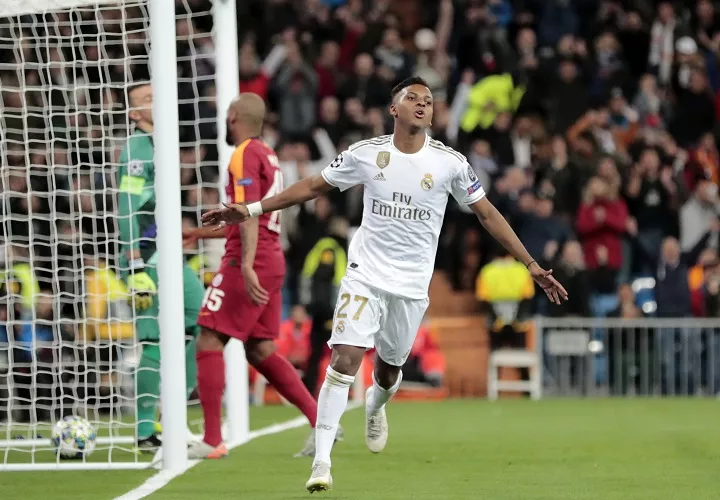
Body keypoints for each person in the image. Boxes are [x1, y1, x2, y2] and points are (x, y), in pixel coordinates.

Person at [202, 77, 568, 493]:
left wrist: (531, 264)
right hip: (365, 274)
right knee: (345, 358)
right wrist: (249, 208)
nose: (421, 104)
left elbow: (487, 214)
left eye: (428, 100)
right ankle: (322, 462)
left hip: (410, 285)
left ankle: (376, 405)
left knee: (390, 369)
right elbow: (312, 186)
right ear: (393, 109)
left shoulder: (450, 163)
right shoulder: (366, 154)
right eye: (411, 97)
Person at [183, 93, 337, 459]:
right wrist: (198, 234)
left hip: (249, 260)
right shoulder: (266, 153)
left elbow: (249, 214)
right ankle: (321, 422)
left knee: (208, 338)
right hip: (271, 257)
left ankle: (211, 439)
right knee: (260, 348)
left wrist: (247, 263)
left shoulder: (243, 154)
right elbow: (244, 217)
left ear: (234, 116)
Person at [116, 83, 205, 452]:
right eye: (146, 100)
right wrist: (134, 260)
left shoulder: (161, 145)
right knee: (153, 341)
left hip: (169, 255)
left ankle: (173, 414)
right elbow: (127, 206)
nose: (156, 102)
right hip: (146, 259)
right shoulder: (137, 148)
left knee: (203, 318)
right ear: (135, 114)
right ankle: (143, 430)